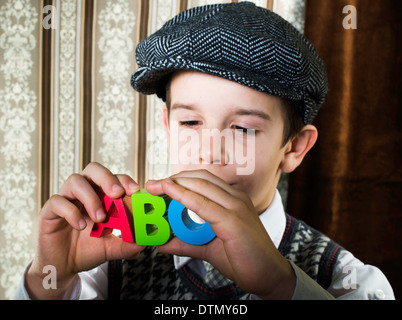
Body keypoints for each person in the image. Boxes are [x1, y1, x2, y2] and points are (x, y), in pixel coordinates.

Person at [14, 2, 394, 300]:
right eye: (190, 123)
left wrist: (283, 288)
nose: (210, 154)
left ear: (293, 148)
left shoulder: (348, 280)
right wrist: (50, 279)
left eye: (243, 128)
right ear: (167, 125)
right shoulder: (101, 268)